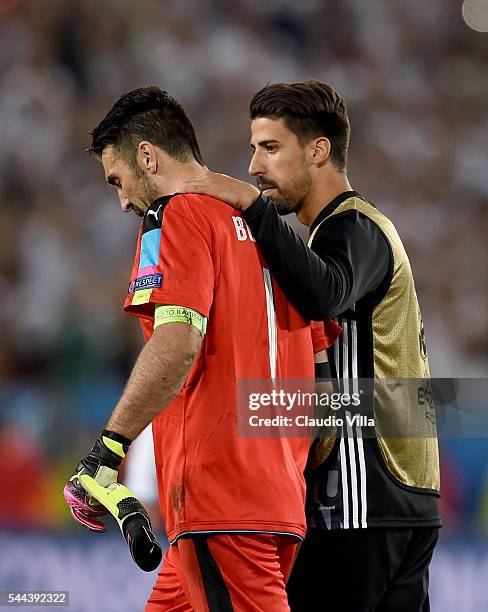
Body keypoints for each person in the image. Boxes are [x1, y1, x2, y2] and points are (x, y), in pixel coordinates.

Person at [63, 86, 336, 611]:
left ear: (148, 156)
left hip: (221, 504)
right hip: (273, 504)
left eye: (118, 180)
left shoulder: (174, 216)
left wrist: (108, 449)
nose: (123, 201)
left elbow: (178, 340)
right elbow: (322, 384)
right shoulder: (278, 240)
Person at [178, 80, 441, 612]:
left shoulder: (352, 227)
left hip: (361, 499)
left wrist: (251, 209)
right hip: (399, 499)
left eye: (270, 148)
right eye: (253, 149)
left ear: (318, 150)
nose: (254, 166)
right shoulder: (350, 232)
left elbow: (324, 292)